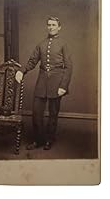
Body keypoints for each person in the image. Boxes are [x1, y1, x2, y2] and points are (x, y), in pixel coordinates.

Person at [15, 16, 73, 150]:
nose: (51, 27)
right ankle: (38, 140)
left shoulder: (64, 44)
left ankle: (49, 140)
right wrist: (22, 71)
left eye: (54, 25)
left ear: (59, 27)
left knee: (53, 114)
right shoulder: (41, 44)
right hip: (41, 82)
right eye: (49, 25)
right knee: (36, 113)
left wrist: (63, 86)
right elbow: (32, 61)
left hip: (57, 82)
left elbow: (69, 67)